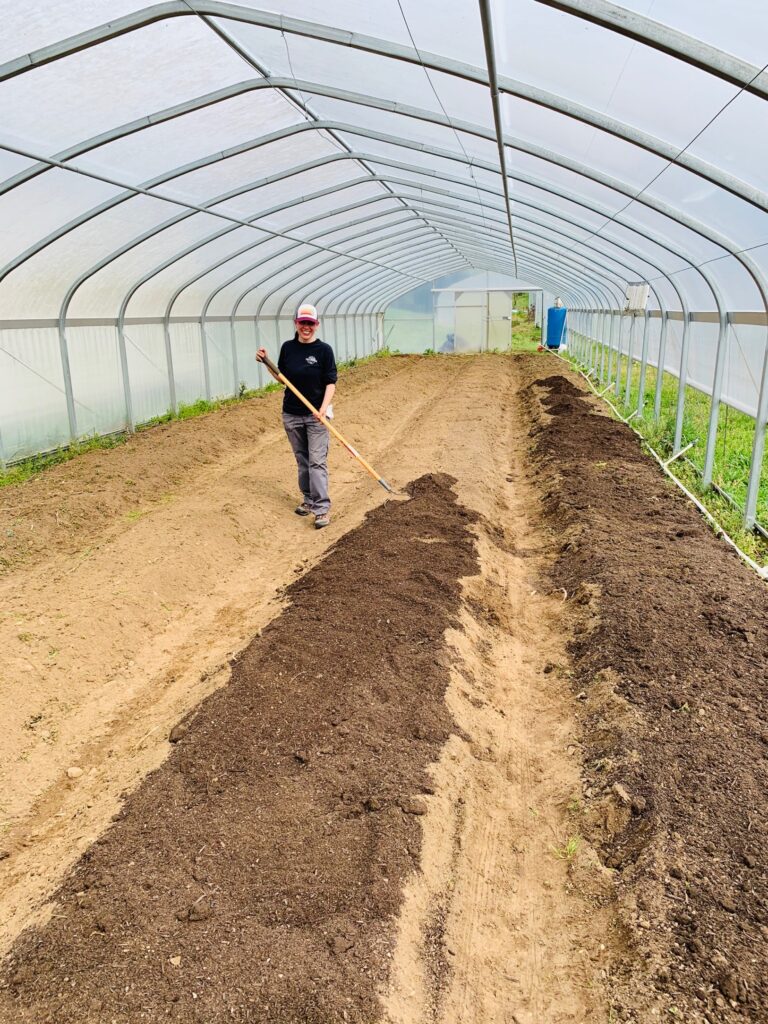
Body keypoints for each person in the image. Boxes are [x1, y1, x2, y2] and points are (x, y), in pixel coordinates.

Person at [256, 303, 337, 529]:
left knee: (317, 462)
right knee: (302, 461)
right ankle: (309, 501)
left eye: (310, 323)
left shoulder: (324, 351)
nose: (306, 327)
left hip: (316, 416)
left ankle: (321, 509)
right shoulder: (288, 348)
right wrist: (266, 362)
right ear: (296, 323)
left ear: (317, 325)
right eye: (303, 322)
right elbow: (282, 378)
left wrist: (322, 409)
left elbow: (331, 383)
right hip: (291, 414)